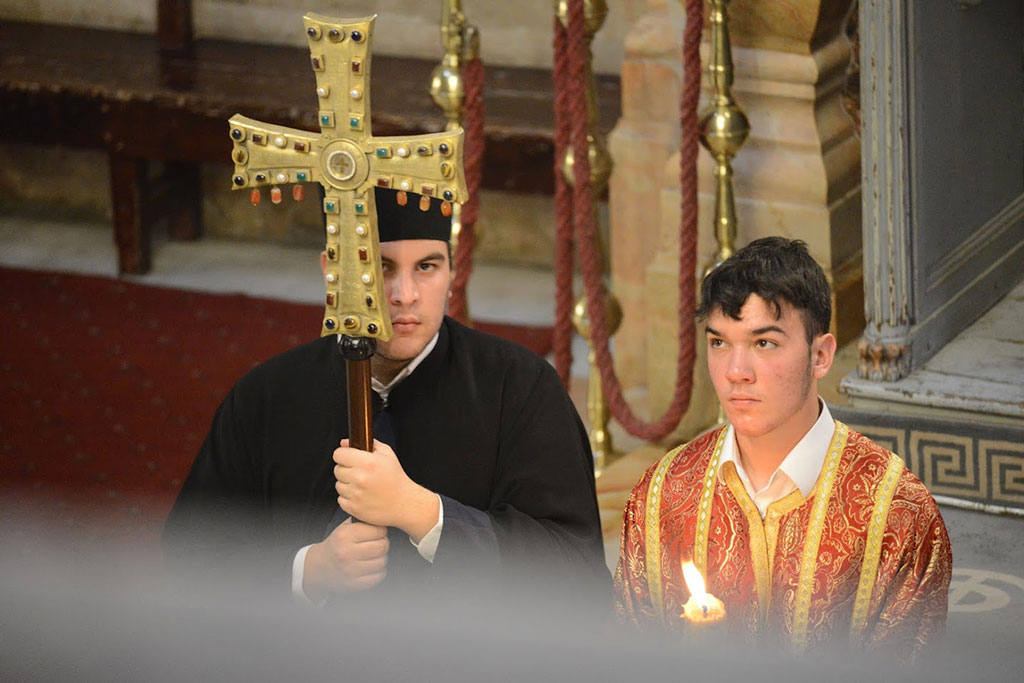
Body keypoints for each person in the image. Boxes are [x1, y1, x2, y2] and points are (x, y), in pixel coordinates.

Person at [163, 187, 609, 607]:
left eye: (427, 267)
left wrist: (425, 515)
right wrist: (309, 571)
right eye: (380, 267)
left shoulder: (521, 388)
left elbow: (578, 578)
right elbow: (188, 563)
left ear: (452, 272)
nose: (405, 296)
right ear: (332, 271)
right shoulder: (267, 396)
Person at [614, 237, 951, 660]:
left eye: (764, 343)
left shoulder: (898, 517)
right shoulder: (663, 496)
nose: (736, 372)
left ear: (820, 355)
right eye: (719, 342)